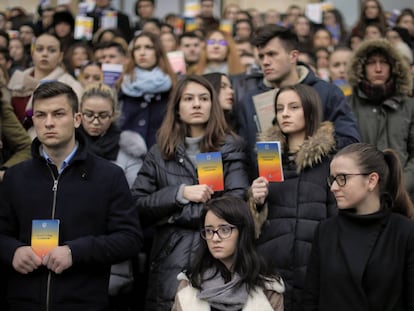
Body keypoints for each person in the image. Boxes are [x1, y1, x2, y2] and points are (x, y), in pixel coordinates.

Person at [0, 81, 143, 310]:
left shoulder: (108, 176)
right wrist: (12, 251)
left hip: (83, 302)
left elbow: (130, 239)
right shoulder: (15, 177)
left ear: (77, 119)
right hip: (22, 301)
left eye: (58, 114)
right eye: (40, 115)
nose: (48, 123)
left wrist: (75, 252)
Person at [131, 75, 249, 311]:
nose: (197, 104)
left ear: (212, 106)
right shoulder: (159, 152)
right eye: (189, 99)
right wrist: (180, 193)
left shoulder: (231, 146)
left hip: (219, 257)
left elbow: (236, 205)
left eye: (204, 98)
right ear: (177, 109)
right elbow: (136, 206)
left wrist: (172, 216)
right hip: (170, 258)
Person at [232, 25, 360, 180]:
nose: (265, 62)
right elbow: (245, 156)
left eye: (272, 54)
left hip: (318, 192)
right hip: (267, 194)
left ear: (293, 56)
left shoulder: (327, 93)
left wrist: (311, 147)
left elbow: (350, 142)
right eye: (261, 56)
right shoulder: (249, 101)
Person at [250, 84, 337, 311]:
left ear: (310, 111)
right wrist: (255, 201)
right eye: (279, 108)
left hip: (314, 268)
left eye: (293, 107)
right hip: (271, 269)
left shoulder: (330, 162)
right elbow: (253, 225)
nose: (285, 113)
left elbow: (336, 218)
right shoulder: (266, 158)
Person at [302, 143, 414, 310]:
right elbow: (310, 300)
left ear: (371, 180)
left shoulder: (404, 232)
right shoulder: (326, 231)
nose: (333, 188)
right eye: (332, 179)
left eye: (342, 178)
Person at [172, 196, 285, 311]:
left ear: (242, 232)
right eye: (209, 231)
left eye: (225, 230)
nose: (215, 238)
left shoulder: (268, 286)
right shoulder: (190, 283)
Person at [347, 38, 414, 199]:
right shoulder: (347, 105)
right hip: (359, 197)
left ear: (394, 68)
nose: (378, 69)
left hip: (403, 198)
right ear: (361, 67)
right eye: (371, 63)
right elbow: (343, 153)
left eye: (384, 62)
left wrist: (401, 186)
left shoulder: (410, 106)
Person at [8, 33, 83, 132]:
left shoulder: (71, 85)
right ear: (32, 52)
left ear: (60, 56)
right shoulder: (17, 79)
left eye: (51, 50)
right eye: (39, 49)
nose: (45, 54)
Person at [79, 83, 147, 188]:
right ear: (79, 114)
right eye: (89, 114)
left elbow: (134, 194)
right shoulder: (67, 145)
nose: (95, 122)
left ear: (113, 115)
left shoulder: (128, 149)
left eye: (103, 115)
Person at [119, 31, 176, 149]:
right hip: (128, 154)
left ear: (158, 52)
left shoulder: (173, 85)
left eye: (148, 47)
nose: (142, 53)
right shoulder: (121, 84)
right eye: (137, 48)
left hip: (163, 152)